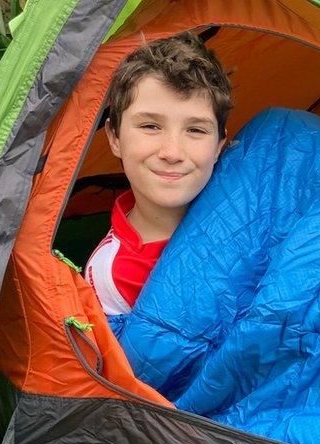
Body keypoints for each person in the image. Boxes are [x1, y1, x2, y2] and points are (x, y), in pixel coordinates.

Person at [85, 33, 232, 315]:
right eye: (150, 126)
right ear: (114, 137)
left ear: (218, 146)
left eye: (196, 130)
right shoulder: (112, 276)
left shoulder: (245, 207)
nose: (172, 152)